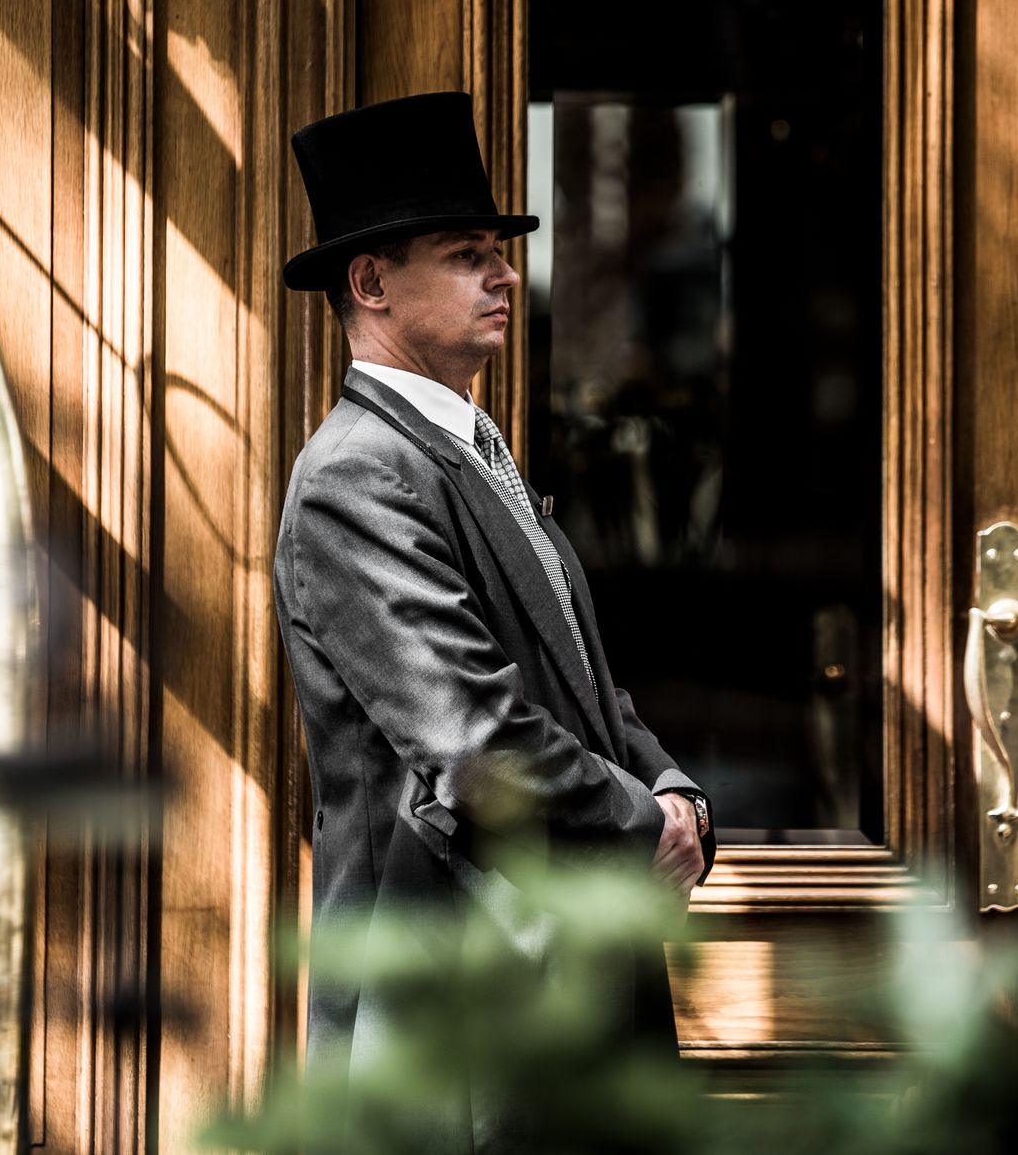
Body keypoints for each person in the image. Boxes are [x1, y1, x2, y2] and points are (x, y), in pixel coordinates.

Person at [274, 91, 715, 1150]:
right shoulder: (353, 477)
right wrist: (637, 821)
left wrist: (670, 784)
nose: (505, 273)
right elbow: (471, 738)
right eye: (467, 252)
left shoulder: (470, 449)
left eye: (500, 250)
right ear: (370, 281)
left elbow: (576, 683)